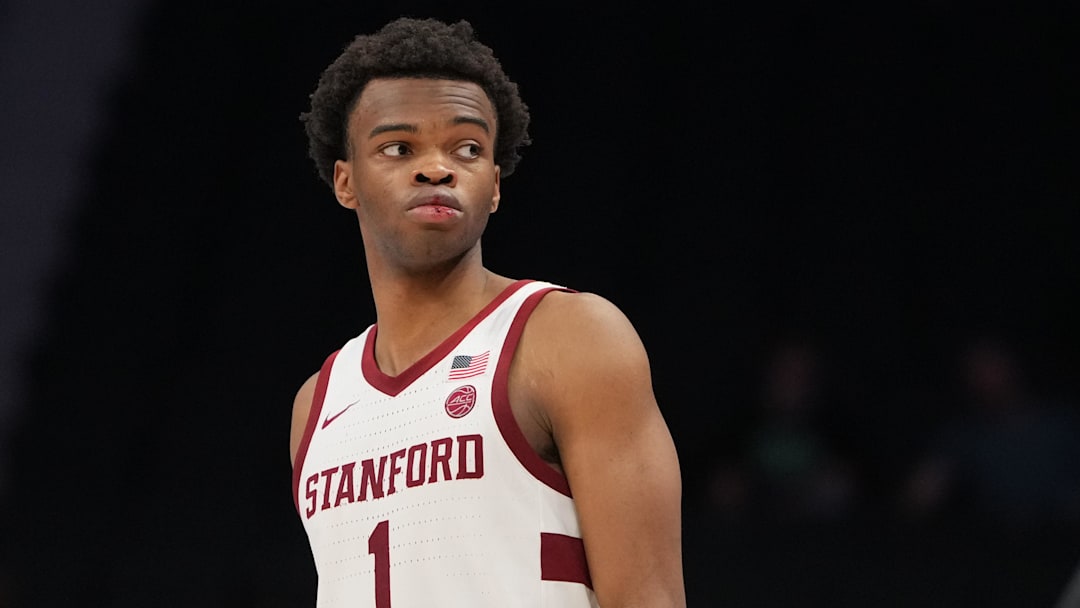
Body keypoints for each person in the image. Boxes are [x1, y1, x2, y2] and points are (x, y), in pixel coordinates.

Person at [288, 17, 685, 607]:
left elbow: (649, 598)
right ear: (345, 182)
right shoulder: (317, 404)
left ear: (494, 184)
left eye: (467, 148)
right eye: (399, 148)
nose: (436, 168)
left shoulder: (568, 338)